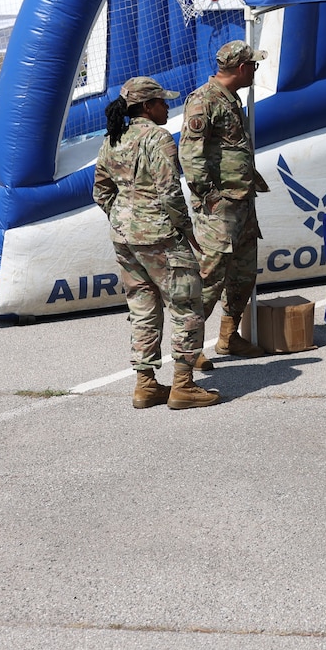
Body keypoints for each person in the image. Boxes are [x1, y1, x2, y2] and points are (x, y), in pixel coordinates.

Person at [93, 76, 217, 410]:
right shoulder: (158, 137)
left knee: (143, 307)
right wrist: (187, 230)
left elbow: (101, 190)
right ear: (147, 106)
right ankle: (183, 386)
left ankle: (145, 385)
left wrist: (123, 217)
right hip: (160, 236)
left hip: (124, 238)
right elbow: (170, 191)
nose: (167, 107)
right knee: (186, 305)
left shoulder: (112, 140)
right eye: (162, 102)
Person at [183, 40, 271, 367]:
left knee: (243, 272)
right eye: (253, 65)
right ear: (241, 68)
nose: (255, 70)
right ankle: (189, 349)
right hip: (219, 209)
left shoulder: (231, 99)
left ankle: (228, 336)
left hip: (241, 202)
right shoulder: (203, 101)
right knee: (210, 278)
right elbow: (190, 156)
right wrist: (211, 199)